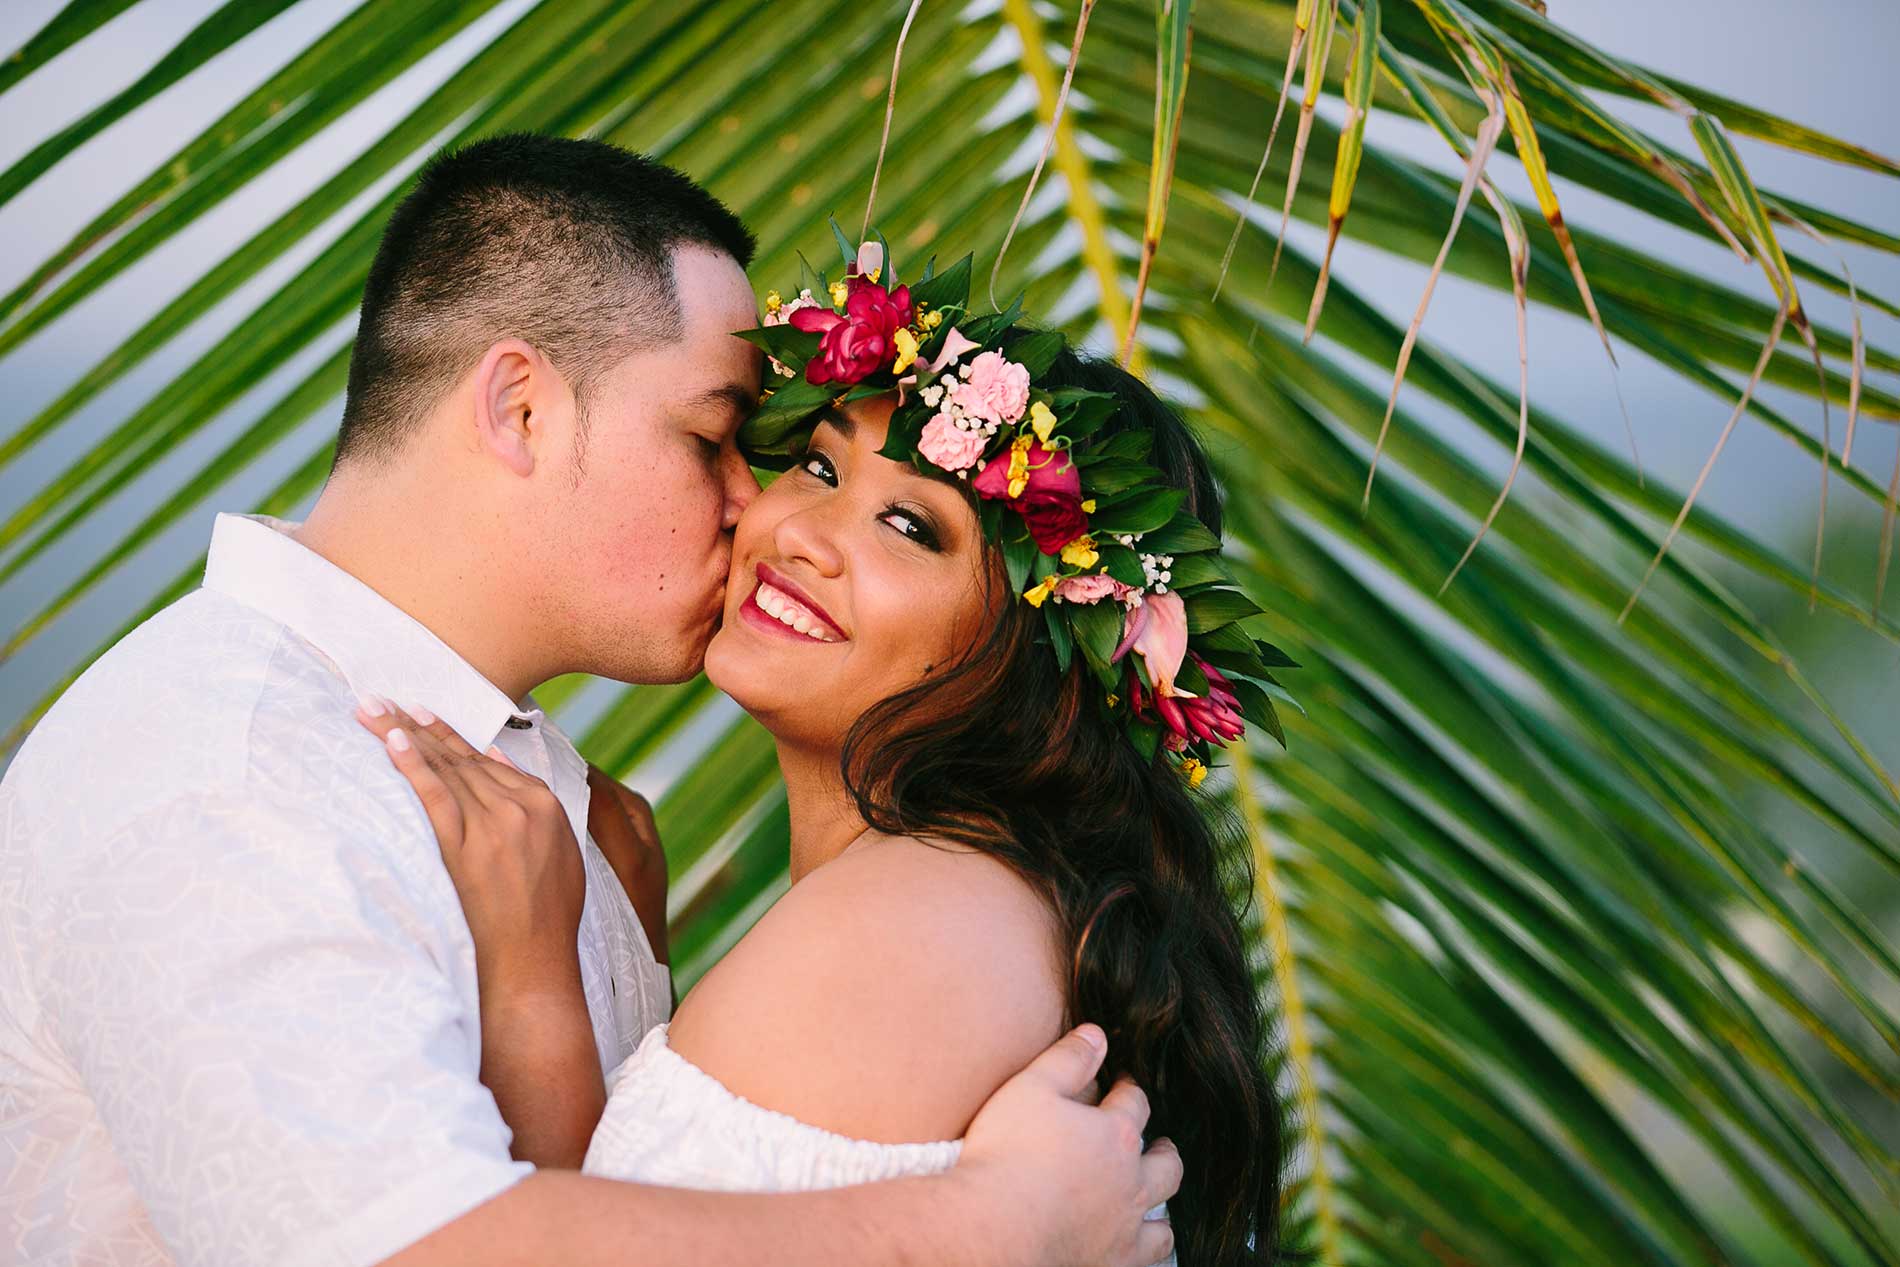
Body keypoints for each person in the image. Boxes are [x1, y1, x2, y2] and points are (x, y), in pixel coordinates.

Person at [0, 134, 1180, 1267]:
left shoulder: (539, 799)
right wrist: (994, 1230)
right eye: (716, 436)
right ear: (521, 408)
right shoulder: (232, 777)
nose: (750, 506)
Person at [352, 242, 1309, 1265]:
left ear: (1045, 654)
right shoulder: (983, 905)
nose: (801, 532)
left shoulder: (911, 923)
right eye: (817, 464)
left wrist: (535, 989)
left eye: (909, 524)